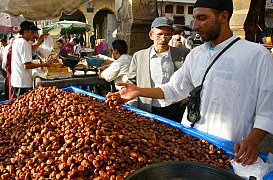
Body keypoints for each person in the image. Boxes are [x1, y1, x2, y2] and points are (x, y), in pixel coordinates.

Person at [107, 0, 273, 166]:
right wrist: (138, 91)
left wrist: (253, 140)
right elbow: (174, 89)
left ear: (223, 16)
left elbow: (268, 107)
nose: (195, 26)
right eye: (194, 19)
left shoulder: (256, 55)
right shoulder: (196, 55)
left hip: (231, 149)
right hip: (192, 142)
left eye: (202, 18)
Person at [126, 16, 190, 122]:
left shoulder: (183, 55)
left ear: (171, 36)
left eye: (167, 34)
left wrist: (187, 97)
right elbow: (131, 81)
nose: (163, 38)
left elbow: (192, 79)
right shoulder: (139, 56)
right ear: (151, 35)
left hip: (175, 108)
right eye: (159, 34)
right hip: (148, 108)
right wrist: (132, 104)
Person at [11, 21, 52, 98]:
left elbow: (30, 49)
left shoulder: (18, 41)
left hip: (18, 81)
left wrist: (39, 41)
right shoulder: (23, 43)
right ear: (25, 31)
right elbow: (27, 65)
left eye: (35, 32)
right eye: (32, 32)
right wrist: (44, 64)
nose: (35, 34)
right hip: (22, 83)